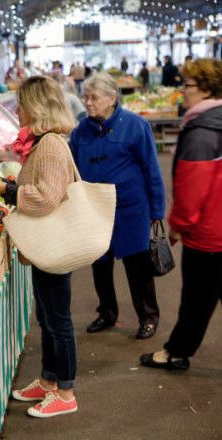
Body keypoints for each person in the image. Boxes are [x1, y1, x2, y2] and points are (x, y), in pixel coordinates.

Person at [0, 76, 79, 418]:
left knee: (58, 319)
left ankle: (66, 391)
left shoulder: (49, 145)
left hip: (53, 244)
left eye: (21, 104)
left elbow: (46, 198)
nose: (17, 110)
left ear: (36, 107)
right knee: (47, 316)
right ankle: (50, 380)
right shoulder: (42, 143)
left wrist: (7, 191)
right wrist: (6, 184)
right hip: (44, 244)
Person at [140, 58, 222, 371]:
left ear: (206, 90)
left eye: (187, 85)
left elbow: (191, 194)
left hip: (208, 236)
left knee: (196, 302)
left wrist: (176, 228)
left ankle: (175, 352)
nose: (181, 92)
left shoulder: (202, 133)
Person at [70, 72, 165, 339]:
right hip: (96, 212)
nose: (87, 103)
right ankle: (107, 313)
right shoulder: (80, 132)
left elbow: (152, 170)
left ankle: (148, 316)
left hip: (131, 210)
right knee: (100, 267)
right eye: (85, 97)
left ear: (112, 98)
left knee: (139, 268)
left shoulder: (136, 126)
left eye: (94, 98)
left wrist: (157, 210)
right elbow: (73, 170)